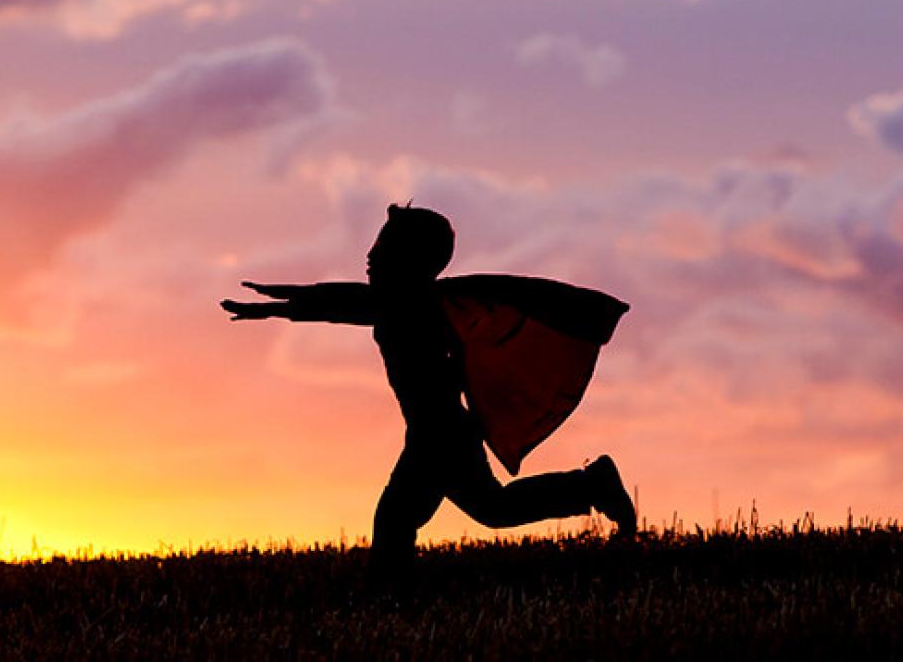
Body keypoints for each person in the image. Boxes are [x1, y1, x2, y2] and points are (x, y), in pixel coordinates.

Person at [220, 204, 636, 575]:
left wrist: (277, 305)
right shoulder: (414, 302)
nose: (370, 255)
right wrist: (279, 301)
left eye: (382, 248)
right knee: (489, 508)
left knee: (400, 517)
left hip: (439, 433)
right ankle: (592, 485)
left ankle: (388, 596)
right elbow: (347, 300)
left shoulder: (413, 305)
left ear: (411, 261)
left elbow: (344, 304)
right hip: (439, 430)